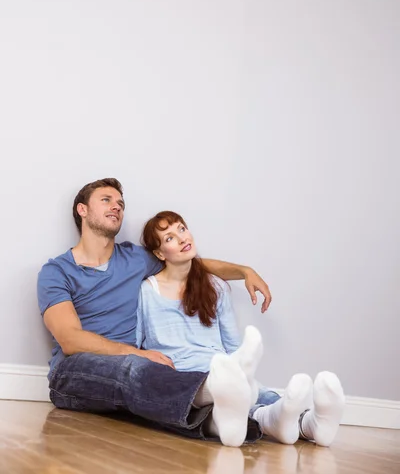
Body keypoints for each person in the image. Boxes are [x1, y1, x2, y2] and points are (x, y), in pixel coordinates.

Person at [37, 178, 272, 443]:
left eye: (120, 203)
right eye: (106, 200)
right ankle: (219, 388)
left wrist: (244, 272)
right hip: (74, 372)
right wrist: (136, 353)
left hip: (140, 374)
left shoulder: (134, 259)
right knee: (135, 369)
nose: (117, 206)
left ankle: (224, 420)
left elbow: (186, 261)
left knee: (146, 395)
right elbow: (70, 340)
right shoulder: (56, 272)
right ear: (82, 210)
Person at [138, 210, 346, 447]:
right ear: (159, 253)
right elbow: (138, 343)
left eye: (182, 229)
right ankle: (294, 422)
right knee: (234, 396)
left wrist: (239, 366)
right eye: (169, 238)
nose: (183, 238)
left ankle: (311, 424)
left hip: (221, 366)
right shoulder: (147, 291)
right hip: (185, 377)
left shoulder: (216, 286)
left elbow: (232, 346)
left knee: (256, 391)